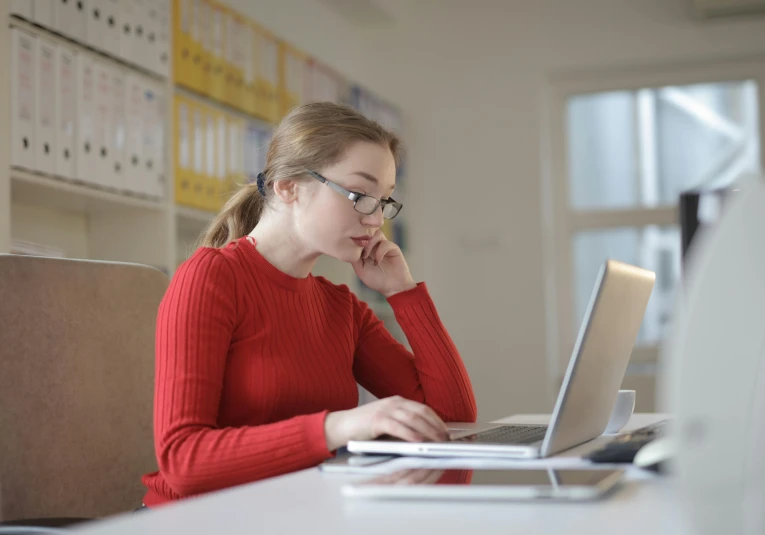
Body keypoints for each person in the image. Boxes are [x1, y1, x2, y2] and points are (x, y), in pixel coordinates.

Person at [140, 102, 477, 507]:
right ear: (288, 186)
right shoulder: (211, 278)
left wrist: (404, 293)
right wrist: (336, 428)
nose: (375, 221)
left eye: (383, 200)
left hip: (296, 513)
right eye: (359, 195)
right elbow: (183, 461)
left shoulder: (341, 307)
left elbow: (452, 418)